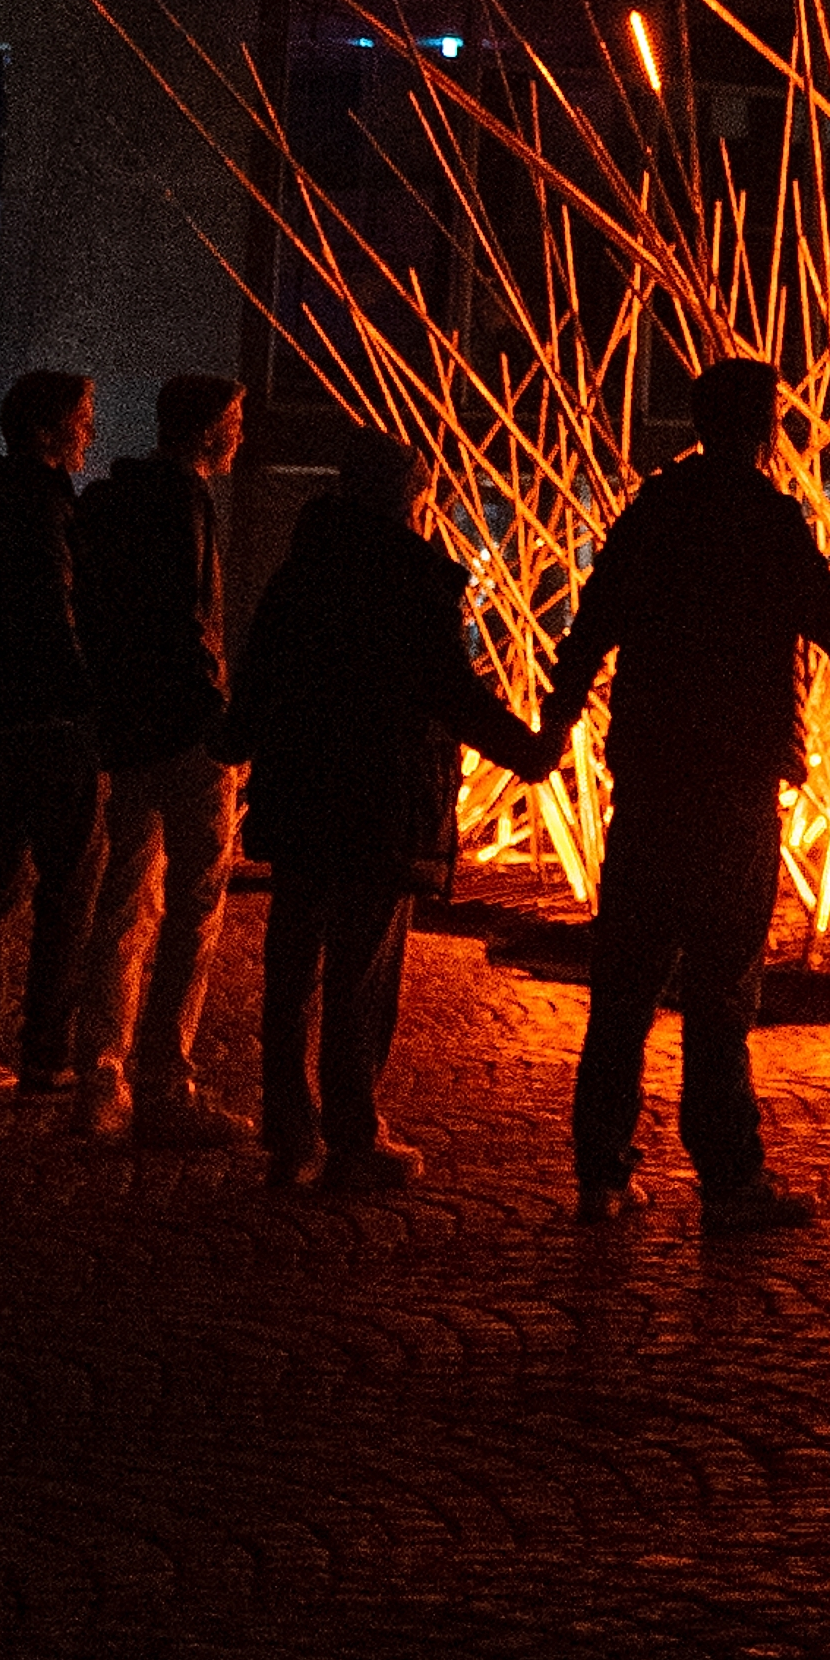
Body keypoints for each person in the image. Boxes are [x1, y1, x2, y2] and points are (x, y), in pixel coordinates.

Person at [538, 357, 830, 1236]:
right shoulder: (764, 519)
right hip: (734, 781)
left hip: (650, 776)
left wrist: (548, 733)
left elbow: (589, 629)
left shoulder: (654, 514)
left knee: (625, 985)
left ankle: (601, 1172)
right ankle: (729, 1178)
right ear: (765, 424)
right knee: (721, 986)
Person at [227, 430, 551, 1193]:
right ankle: (352, 1130)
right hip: (379, 798)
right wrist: (527, 750)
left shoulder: (300, 571)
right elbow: (451, 689)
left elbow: (262, 671)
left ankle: (288, 1125)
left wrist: (237, 740)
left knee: (294, 961)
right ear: (410, 490)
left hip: (304, 790)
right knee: (361, 969)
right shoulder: (410, 579)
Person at [65, 373, 251, 1149]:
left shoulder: (109, 504)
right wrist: (222, 723)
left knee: (121, 902)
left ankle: (99, 1078)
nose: (241, 435)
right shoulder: (185, 502)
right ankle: (165, 1079)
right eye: (235, 421)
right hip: (184, 733)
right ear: (209, 430)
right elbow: (191, 623)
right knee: (193, 908)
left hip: (127, 728)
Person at [0, 368, 104, 1097]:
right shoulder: (46, 513)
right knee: (69, 889)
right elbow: (57, 617)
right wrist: (91, 695)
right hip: (55, 725)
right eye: (82, 419)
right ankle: (47, 1053)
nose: (89, 432)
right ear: (46, 432)